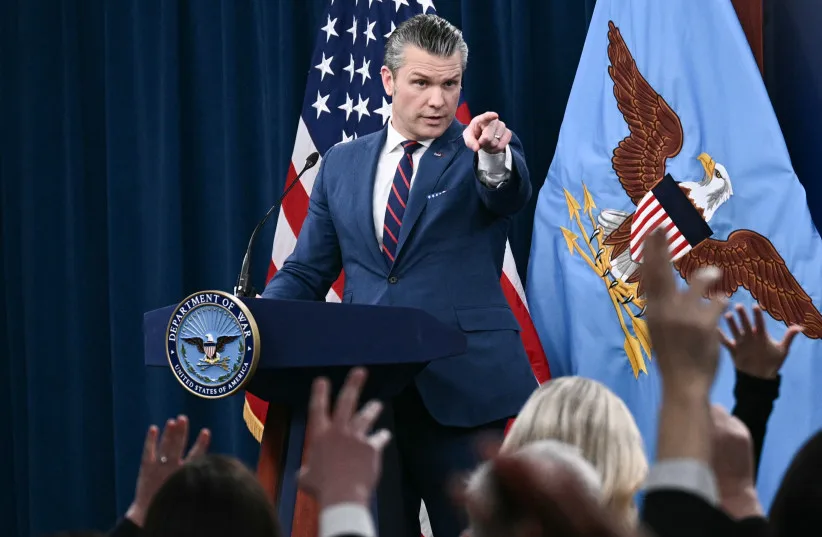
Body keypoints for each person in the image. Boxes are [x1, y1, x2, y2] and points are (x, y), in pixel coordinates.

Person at [261, 13, 536, 537]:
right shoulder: (339, 163)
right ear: (388, 81)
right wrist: (259, 323)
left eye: (450, 84)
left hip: (462, 392)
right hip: (368, 400)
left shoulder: (482, 150)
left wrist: (496, 154)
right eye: (422, 83)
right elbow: (305, 271)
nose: (438, 100)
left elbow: (505, 192)